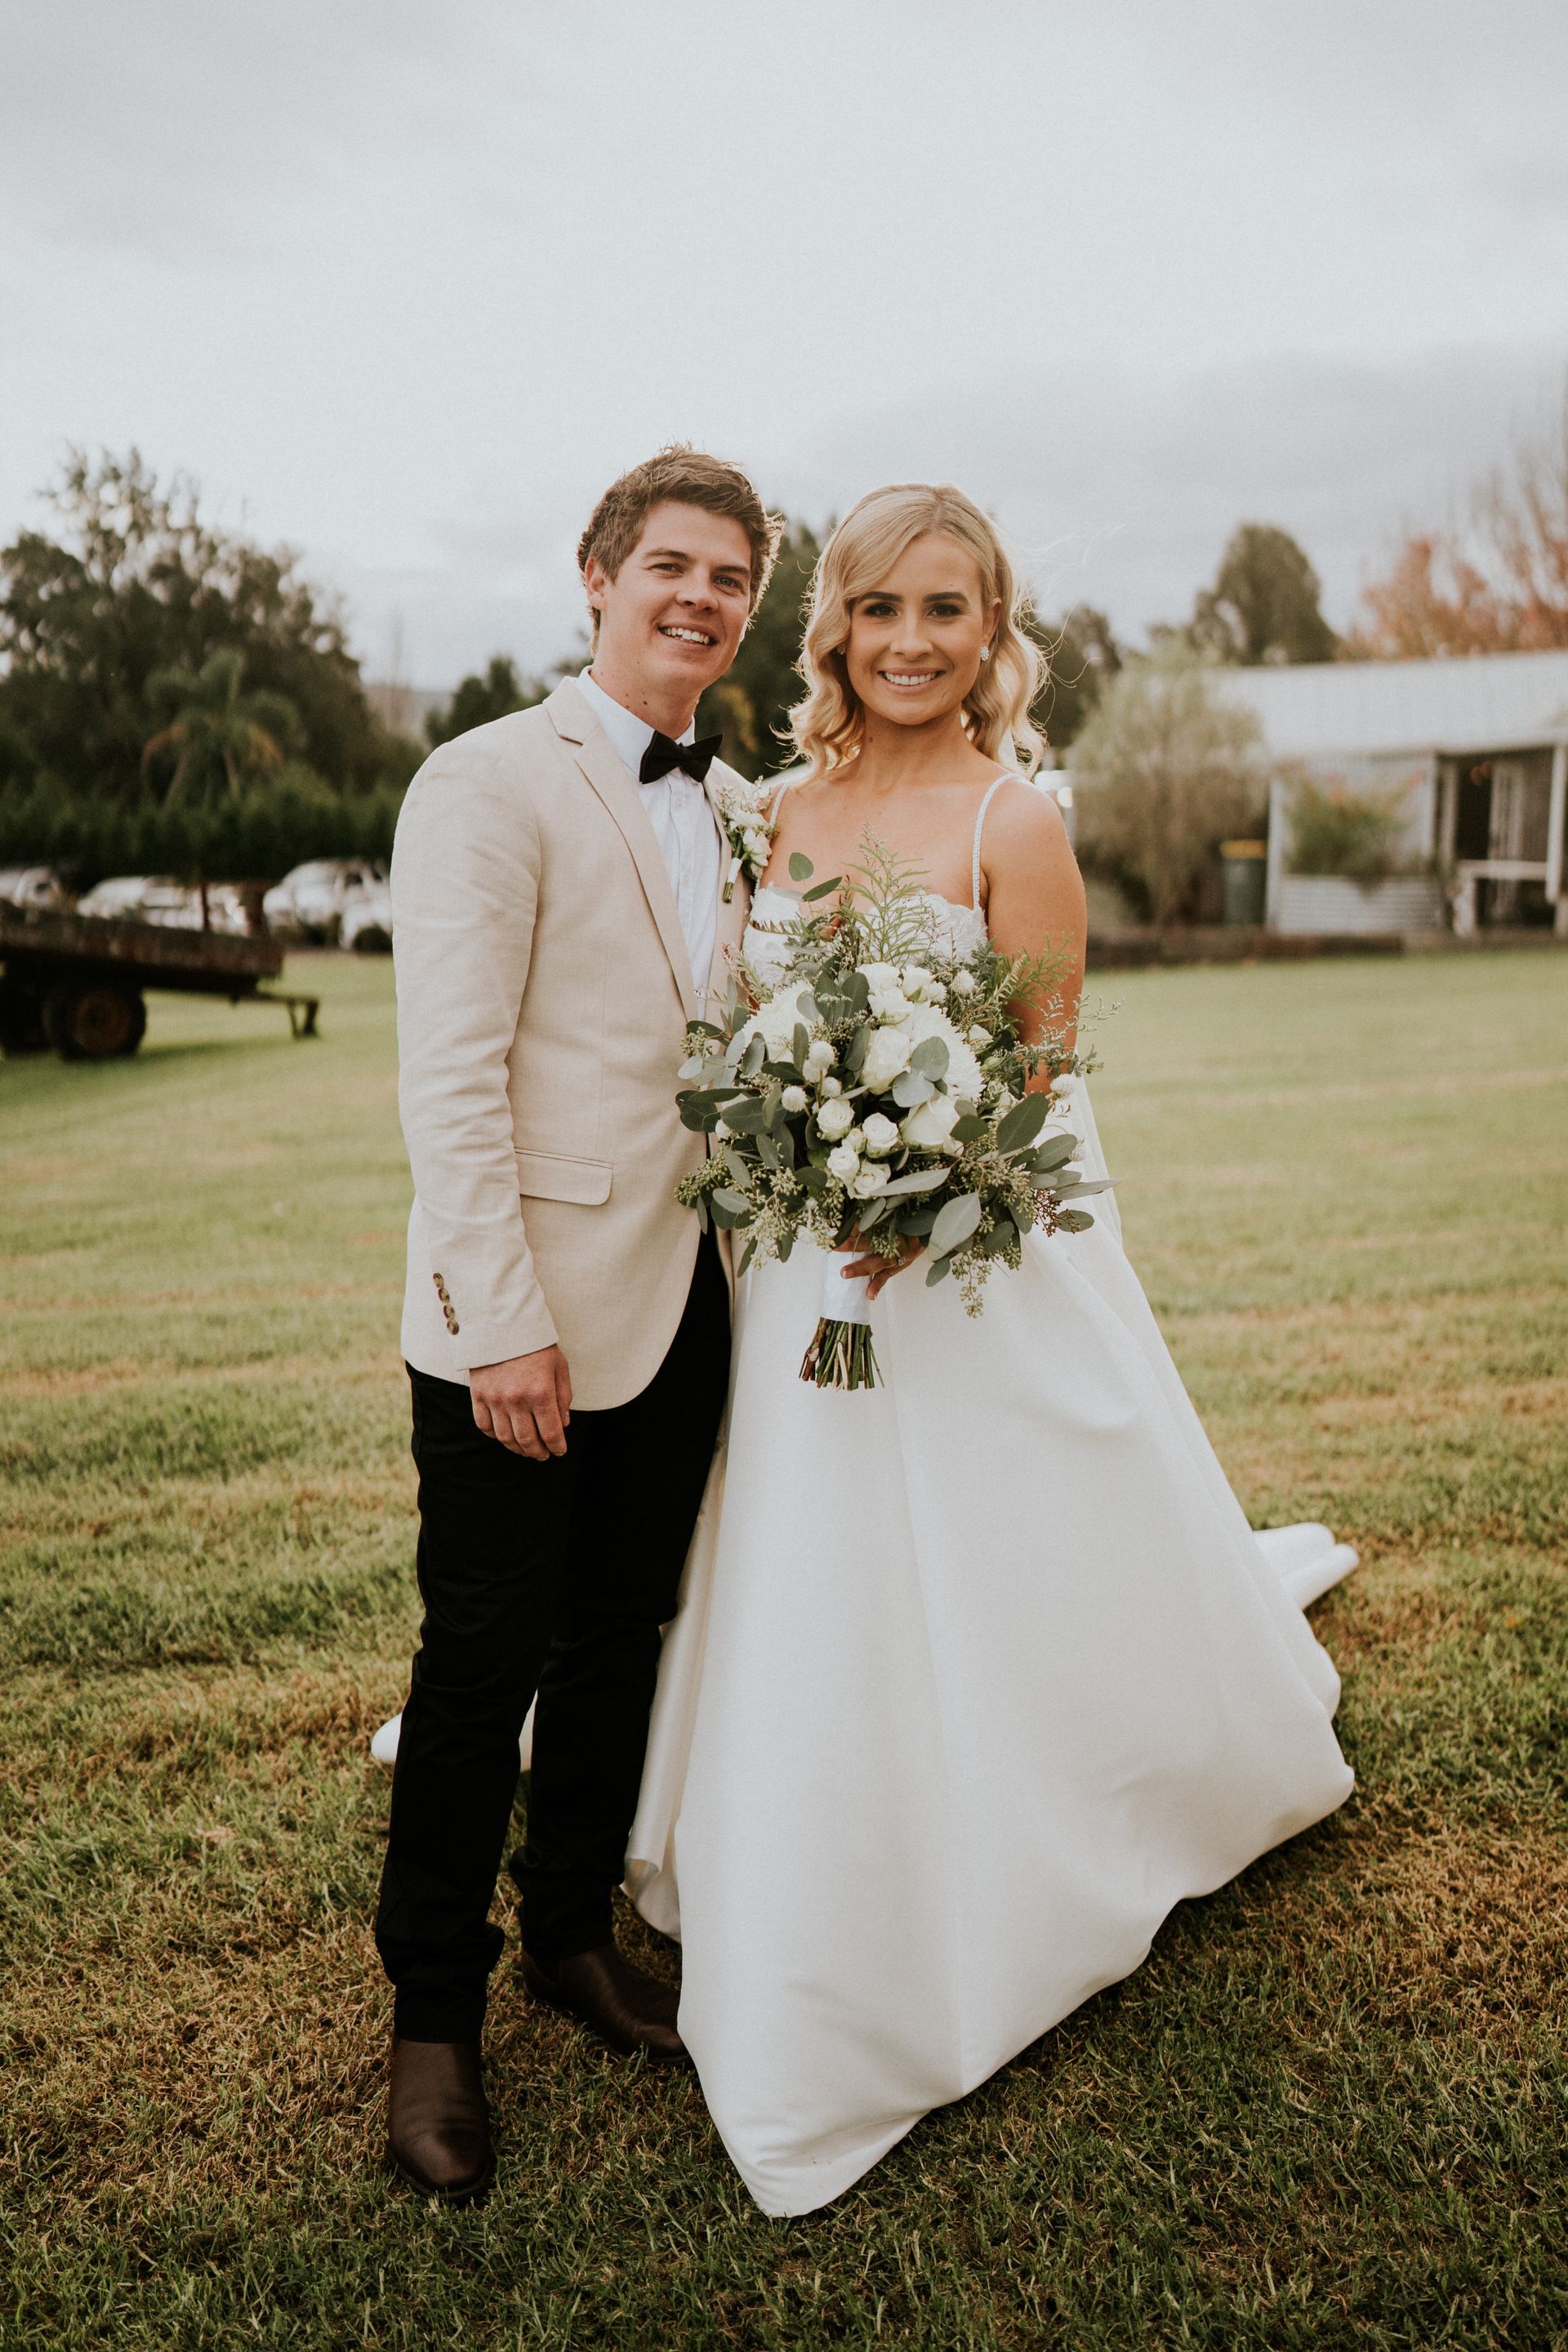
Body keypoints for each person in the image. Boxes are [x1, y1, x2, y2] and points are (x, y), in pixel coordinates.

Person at [623, 483, 1356, 2218]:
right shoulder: (769, 811)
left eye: (946, 610)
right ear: (836, 632)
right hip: (802, 1267)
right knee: (814, 1551)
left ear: (992, 630)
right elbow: (729, 1033)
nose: (909, 643)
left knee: (995, 1535)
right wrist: (801, 1159)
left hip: (960, 1269)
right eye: (879, 610)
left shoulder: (1014, 821)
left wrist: (934, 1188)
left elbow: (1043, 1074)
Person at [376, 446, 781, 2203]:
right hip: (520, 1322)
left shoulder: (748, 802)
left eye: (734, 577)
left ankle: (568, 1936)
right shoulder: (486, 783)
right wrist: (499, 1332)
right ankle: (433, 2024)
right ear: (599, 575)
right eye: (674, 565)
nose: (702, 597)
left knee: (622, 1634)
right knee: (480, 1667)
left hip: (691, 1299)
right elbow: (450, 1086)